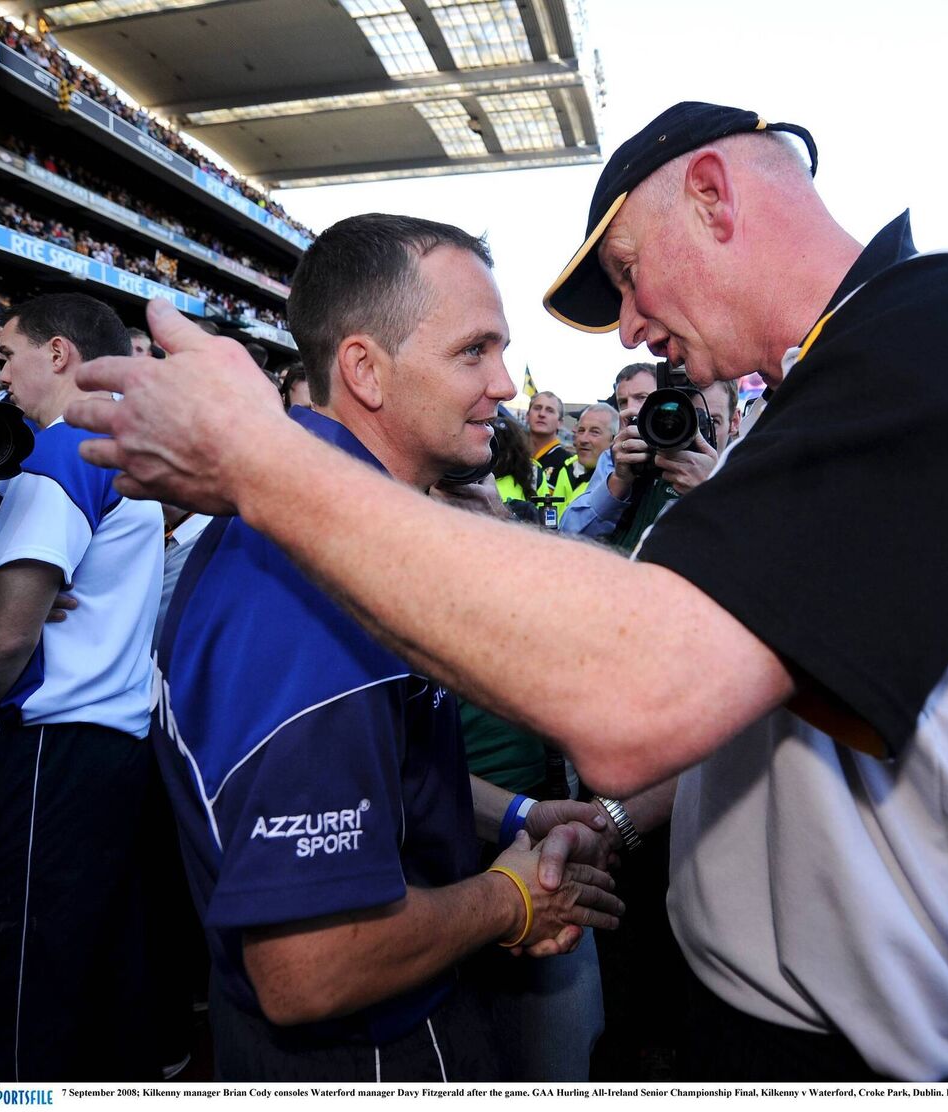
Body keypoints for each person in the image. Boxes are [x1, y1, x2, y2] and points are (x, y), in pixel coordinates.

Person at [70, 101, 948, 1082]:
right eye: (475, 347)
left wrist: (260, 459)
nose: (629, 327)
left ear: (715, 194)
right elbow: (761, 688)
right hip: (763, 1022)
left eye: (628, 272)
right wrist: (611, 823)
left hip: (925, 1061)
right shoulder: (820, 390)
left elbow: (642, 690)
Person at [149, 214, 621, 1082]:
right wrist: (508, 899)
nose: (507, 384)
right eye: (473, 352)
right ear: (365, 369)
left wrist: (517, 818)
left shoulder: (344, 533)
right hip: (368, 1052)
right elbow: (310, 964)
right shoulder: (306, 587)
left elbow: (384, 764)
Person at [0, 293, 164, 1080]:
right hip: (115, 747)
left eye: (5, 354)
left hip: (47, 753)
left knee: (23, 990)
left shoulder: (59, 453)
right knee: (98, 978)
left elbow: (5, 641)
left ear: (57, 354)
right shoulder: (121, 447)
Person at [560, 365, 723, 547]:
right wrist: (618, 482)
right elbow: (569, 532)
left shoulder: (710, 460)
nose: (630, 410)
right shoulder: (616, 457)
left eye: (642, 398)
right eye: (622, 402)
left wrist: (711, 491)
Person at [554, 402, 617, 516]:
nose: (583, 439)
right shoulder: (567, 469)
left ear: (614, 439)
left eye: (594, 432)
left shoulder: (616, 485)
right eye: (581, 430)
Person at [526, 390, 570, 488]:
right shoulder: (512, 456)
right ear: (527, 416)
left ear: (560, 422)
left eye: (550, 410)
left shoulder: (567, 464)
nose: (541, 414)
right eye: (537, 408)